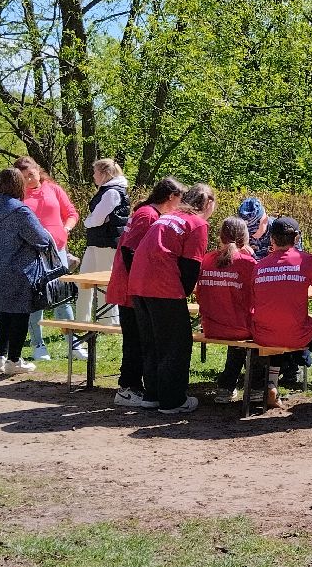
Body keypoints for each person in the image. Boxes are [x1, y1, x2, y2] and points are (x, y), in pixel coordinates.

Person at [129, 182, 214, 415]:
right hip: (163, 286)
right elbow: (190, 266)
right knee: (176, 343)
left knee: (152, 342)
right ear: (207, 203)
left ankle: (152, 395)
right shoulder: (197, 223)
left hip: (138, 284)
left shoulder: (168, 216)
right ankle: (173, 400)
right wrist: (182, 296)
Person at [252, 216, 312, 412]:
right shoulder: (306, 261)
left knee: (276, 333)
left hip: (263, 334)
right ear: (296, 239)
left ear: (271, 239)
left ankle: (271, 385)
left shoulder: (259, 266)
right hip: (296, 333)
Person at [106, 178, 185, 409]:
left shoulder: (149, 213)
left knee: (140, 339)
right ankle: (127, 388)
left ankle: (134, 386)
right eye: (180, 199)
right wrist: (138, 282)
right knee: (135, 340)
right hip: (131, 288)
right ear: (171, 196)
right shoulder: (148, 215)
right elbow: (131, 250)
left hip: (135, 287)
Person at [0, 166, 54, 375]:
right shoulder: (19, 210)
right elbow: (41, 239)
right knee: (20, 314)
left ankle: (0, 357)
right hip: (20, 269)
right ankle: (14, 360)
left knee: (3, 312)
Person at [15, 157, 84, 363]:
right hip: (31, 252)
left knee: (61, 296)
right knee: (37, 299)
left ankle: (74, 344)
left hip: (58, 250)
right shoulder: (17, 195)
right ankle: (38, 344)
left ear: (38, 170)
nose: (28, 179)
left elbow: (71, 213)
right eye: (23, 176)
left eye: (31, 174)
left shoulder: (53, 189)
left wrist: (66, 229)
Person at [196, 217, 258, 404]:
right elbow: (259, 295)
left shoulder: (206, 259)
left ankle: (226, 386)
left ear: (220, 236)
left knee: (237, 333)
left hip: (210, 327)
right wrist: (252, 258)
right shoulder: (248, 263)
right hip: (241, 329)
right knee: (258, 330)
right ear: (245, 238)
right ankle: (257, 388)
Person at [80, 159, 130, 325]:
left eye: (95, 172)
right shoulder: (106, 190)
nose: (93, 176)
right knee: (84, 280)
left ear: (104, 174)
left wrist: (87, 222)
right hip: (95, 241)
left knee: (104, 282)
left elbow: (98, 219)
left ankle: (108, 321)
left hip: (107, 243)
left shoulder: (112, 192)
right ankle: (82, 319)